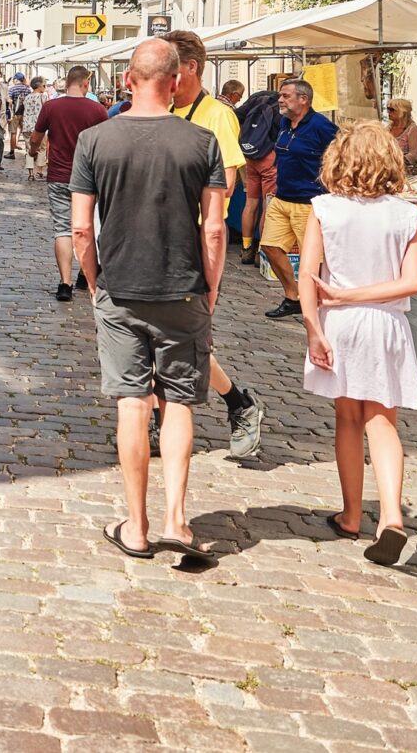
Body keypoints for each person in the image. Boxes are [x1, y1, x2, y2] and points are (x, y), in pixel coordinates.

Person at [70, 38, 227, 565]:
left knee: (133, 404)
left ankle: (135, 527)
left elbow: (80, 228)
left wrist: (92, 280)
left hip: (120, 287)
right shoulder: (202, 142)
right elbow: (215, 229)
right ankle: (175, 519)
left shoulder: (95, 141)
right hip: (183, 287)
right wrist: (212, 285)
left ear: (128, 79)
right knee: (179, 402)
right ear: (177, 80)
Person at [300, 121, 417, 566]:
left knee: (347, 418)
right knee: (382, 419)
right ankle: (391, 515)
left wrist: (315, 328)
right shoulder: (406, 214)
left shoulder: (325, 208)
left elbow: (308, 278)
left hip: (340, 321)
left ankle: (352, 514)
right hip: (387, 324)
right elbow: (413, 283)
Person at [163, 30, 267, 460]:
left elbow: (222, 187)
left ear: (191, 68)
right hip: (160, 235)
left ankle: (239, 404)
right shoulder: (163, 108)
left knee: (191, 339)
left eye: (173, 67)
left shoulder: (217, 115)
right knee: (158, 337)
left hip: (196, 239)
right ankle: (160, 417)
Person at [261, 79, 339, 321]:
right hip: (282, 197)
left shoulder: (321, 126)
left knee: (313, 259)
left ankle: (318, 303)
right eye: (280, 96)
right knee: (270, 246)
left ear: (303, 99)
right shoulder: (284, 122)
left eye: (285, 96)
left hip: (309, 202)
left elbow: (341, 154)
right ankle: (292, 296)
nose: (280, 100)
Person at [30, 66, 109, 302]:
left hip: (59, 176)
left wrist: (34, 152)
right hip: (89, 178)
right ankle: (86, 273)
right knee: (86, 227)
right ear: (86, 83)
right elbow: (106, 144)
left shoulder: (51, 106)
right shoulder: (97, 110)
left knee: (62, 229)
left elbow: (36, 137)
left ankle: (65, 283)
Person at [234, 76, 284, 267]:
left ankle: (246, 249)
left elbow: (236, 115)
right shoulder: (279, 106)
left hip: (250, 156)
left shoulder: (257, 98)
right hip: (269, 158)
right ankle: (262, 251)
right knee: (268, 204)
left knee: (251, 203)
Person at [21, 78, 49, 180]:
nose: (45, 88)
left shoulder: (27, 97)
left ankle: (30, 172)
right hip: (39, 126)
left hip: (27, 126)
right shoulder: (43, 96)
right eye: (44, 86)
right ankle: (39, 170)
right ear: (40, 86)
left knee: (29, 149)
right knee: (41, 148)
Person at [385, 97, 417, 177]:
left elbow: (413, 154)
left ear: (402, 112)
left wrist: (396, 163)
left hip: (405, 171)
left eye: (392, 110)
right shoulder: (388, 128)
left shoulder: (412, 129)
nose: (388, 112)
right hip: (387, 169)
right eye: (388, 109)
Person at [7, 73, 31, 159]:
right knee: (26, 133)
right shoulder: (28, 89)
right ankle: (28, 152)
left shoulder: (12, 88)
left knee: (13, 132)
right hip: (25, 113)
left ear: (16, 79)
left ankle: (12, 152)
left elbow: (9, 100)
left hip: (15, 113)